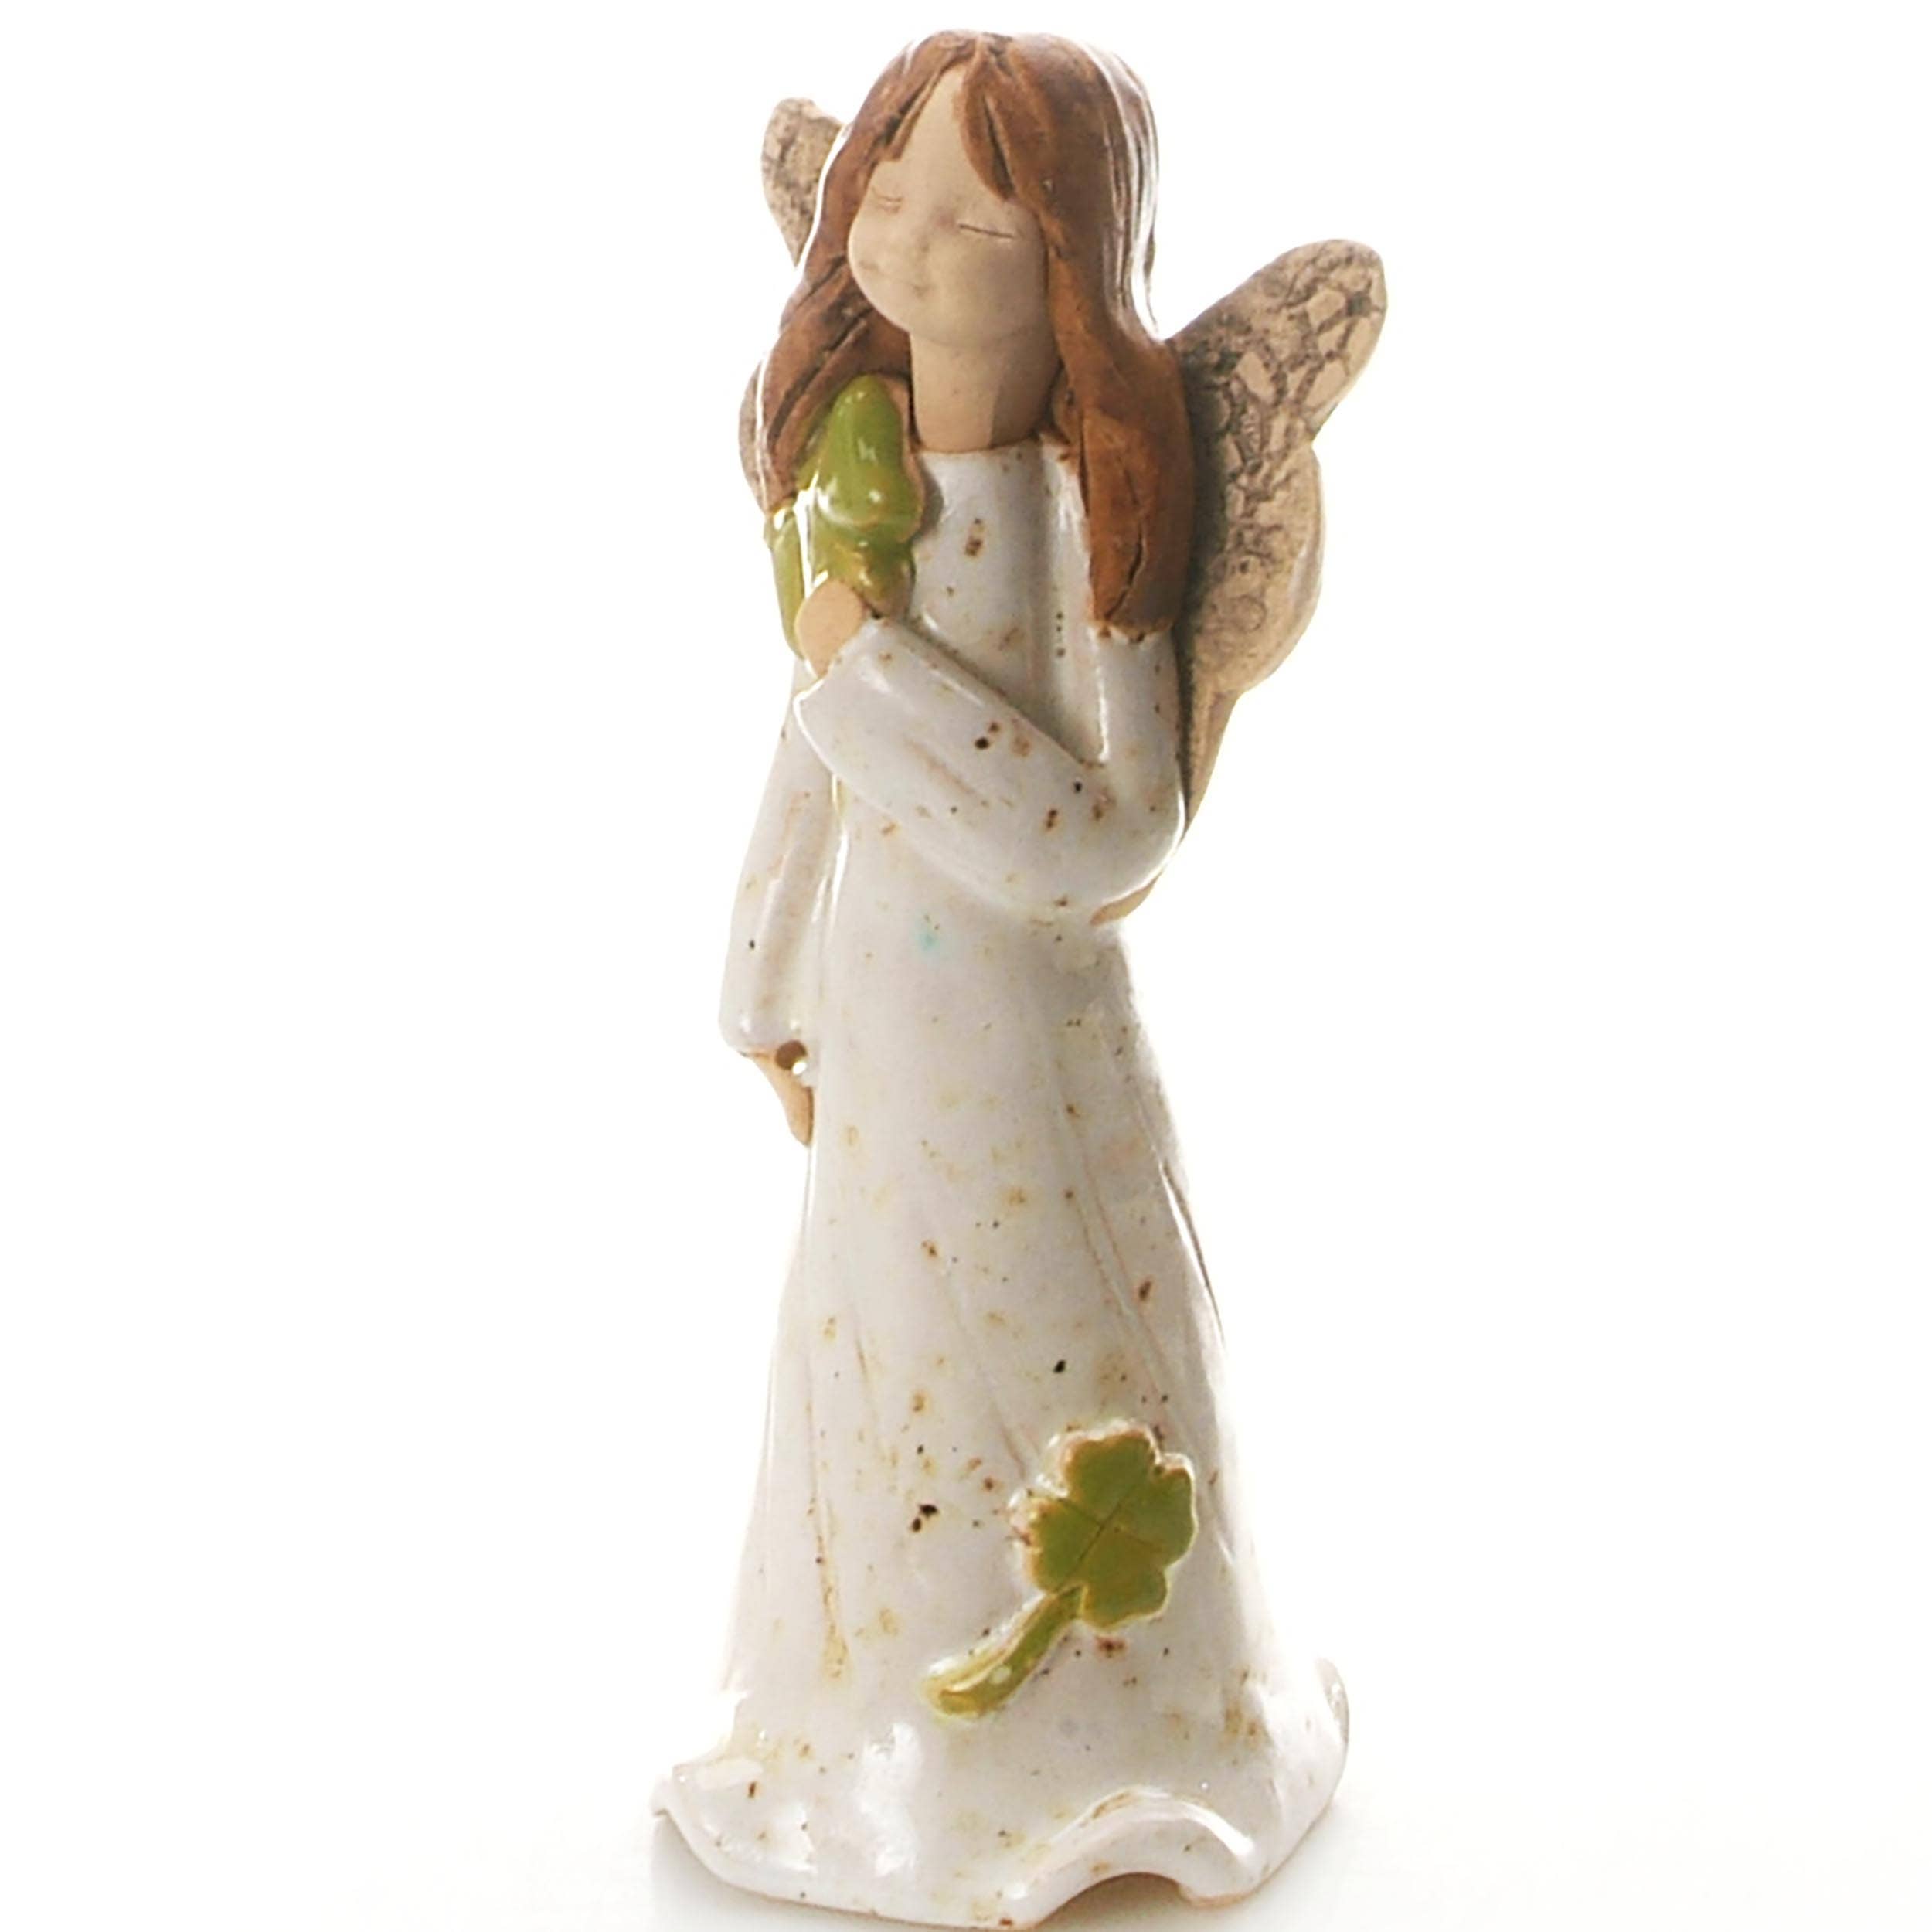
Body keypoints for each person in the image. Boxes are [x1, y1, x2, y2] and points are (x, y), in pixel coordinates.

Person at [658, 33, 1347, 1927]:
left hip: (1031, 1051)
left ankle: (1115, 1734)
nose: (905, 234)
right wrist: (756, 979)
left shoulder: (1076, 517)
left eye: (973, 214)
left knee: (1042, 1330)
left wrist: (866, 666)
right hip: (881, 1024)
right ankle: (852, 1729)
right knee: (873, 1321)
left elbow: (1105, 835)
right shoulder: (858, 485)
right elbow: (807, 749)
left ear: (1070, 262)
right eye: (886, 187)